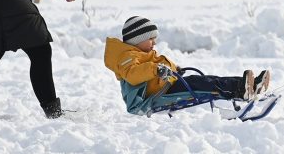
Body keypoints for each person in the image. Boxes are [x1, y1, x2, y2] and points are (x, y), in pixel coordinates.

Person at [104, 15, 271, 116]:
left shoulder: (142, 53)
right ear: (137, 40)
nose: (154, 43)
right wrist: (156, 69)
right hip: (154, 97)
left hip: (166, 86)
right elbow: (133, 74)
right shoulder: (127, 57)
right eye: (150, 39)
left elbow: (159, 64)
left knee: (207, 80)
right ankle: (242, 90)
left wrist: (175, 69)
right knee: (203, 84)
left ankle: (249, 85)